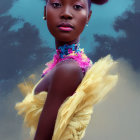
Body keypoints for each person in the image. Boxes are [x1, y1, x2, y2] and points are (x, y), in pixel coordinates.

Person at [15, 0, 118, 140]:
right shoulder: (73, 62)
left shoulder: (67, 70)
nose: (66, 14)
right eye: (57, 4)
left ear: (88, 16)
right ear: (45, 12)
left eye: (77, 6)